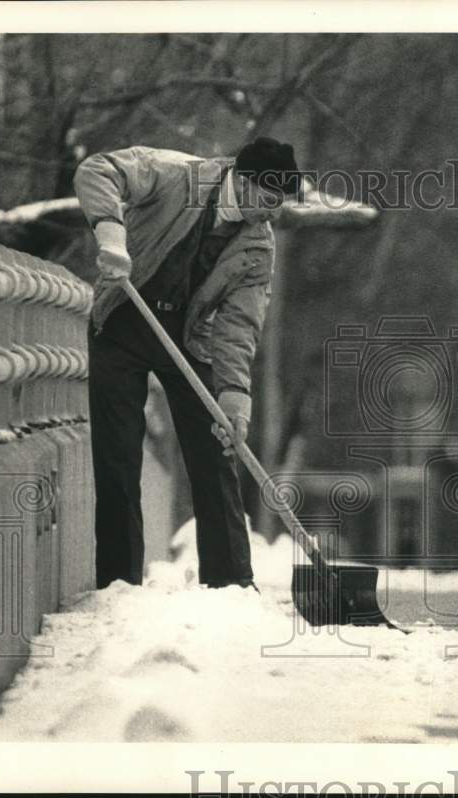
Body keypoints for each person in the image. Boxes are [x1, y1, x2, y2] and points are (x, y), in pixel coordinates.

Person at [73, 137, 301, 590]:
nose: (275, 213)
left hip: (187, 341)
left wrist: (235, 396)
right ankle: (119, 585)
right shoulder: (177, 175)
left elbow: (239, 324)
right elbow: (96, 170)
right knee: (118, 460)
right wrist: (111, 233)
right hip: (123, 319)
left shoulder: (258, 245)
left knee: (216, 455)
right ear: (248, 182)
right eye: (271, 200)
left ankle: (231, 583)